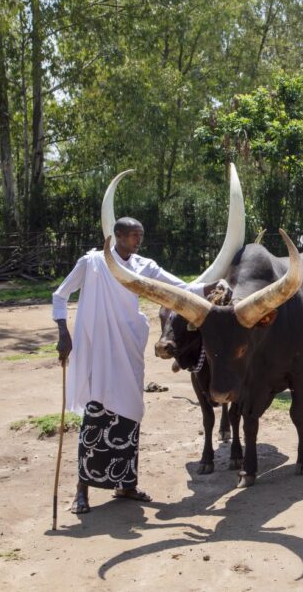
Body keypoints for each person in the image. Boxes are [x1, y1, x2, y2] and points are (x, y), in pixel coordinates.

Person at [53, 217, 213, 514]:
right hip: (98, 347)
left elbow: (180, 287)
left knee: (129, 414)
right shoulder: (91, 263)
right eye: (133, 236)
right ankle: (82, 491)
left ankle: (125, 484)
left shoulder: (144, 266)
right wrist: (64, 333)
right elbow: (60, 295)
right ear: (118, 236)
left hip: (128, 347)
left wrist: (214, 287)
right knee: (96, 415)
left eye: (140, 235)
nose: (138, 241)